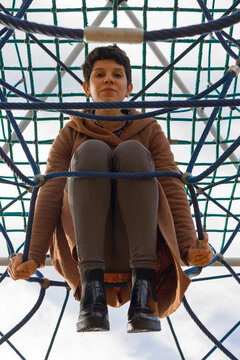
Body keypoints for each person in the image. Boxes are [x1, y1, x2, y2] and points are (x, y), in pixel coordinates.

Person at [8, 45, 213, 333]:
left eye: (117, 75)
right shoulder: (71, 133)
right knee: (91, 150)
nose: (108, 80)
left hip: (142, 248)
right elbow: (50, 194)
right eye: (99, 75)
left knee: (132, 151)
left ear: (128, 87)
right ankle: (92, 295)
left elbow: (171, 185)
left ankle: (145, 291)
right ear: (86, 87)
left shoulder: (148, 129)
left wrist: (189, 247)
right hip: (86, 246)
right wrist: (31, 254)